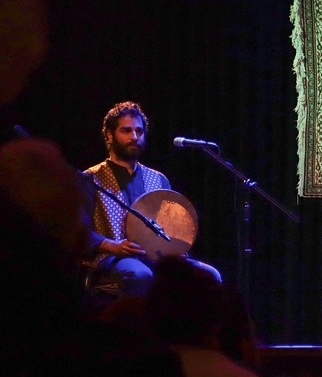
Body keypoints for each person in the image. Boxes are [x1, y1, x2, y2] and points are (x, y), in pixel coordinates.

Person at [81, 101, 220, 297]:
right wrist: (113, 245)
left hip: (157, 257)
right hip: (112, 257)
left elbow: (172, 226)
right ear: (110, 136)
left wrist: (176, 248)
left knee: (210, 275)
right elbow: (79, 230)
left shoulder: (158, 179)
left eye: (139, 131)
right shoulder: (91, 178)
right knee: (141, 275)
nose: (134, 137)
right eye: (126, 131)